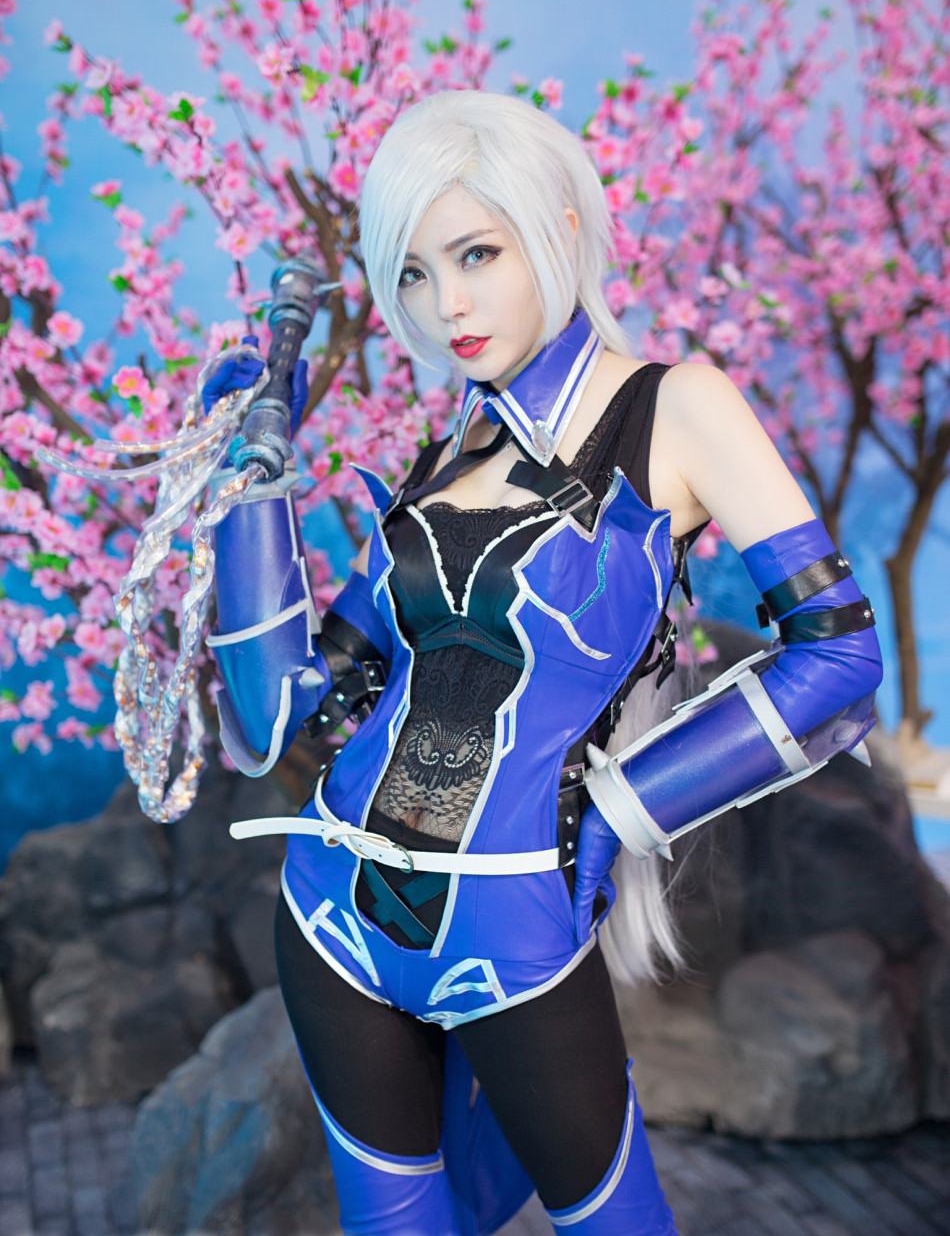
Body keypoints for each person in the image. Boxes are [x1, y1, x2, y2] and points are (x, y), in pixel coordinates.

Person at [209, 90, 883, 1236]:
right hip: (330, 916)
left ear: (558, 226)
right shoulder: (441, 457)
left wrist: (618, 811)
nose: (446, 304)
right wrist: (248, 491)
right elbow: (289, 714)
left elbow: (838, 652)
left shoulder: (674, 407)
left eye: (475, 253)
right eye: (413, 273)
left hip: (515, 926)